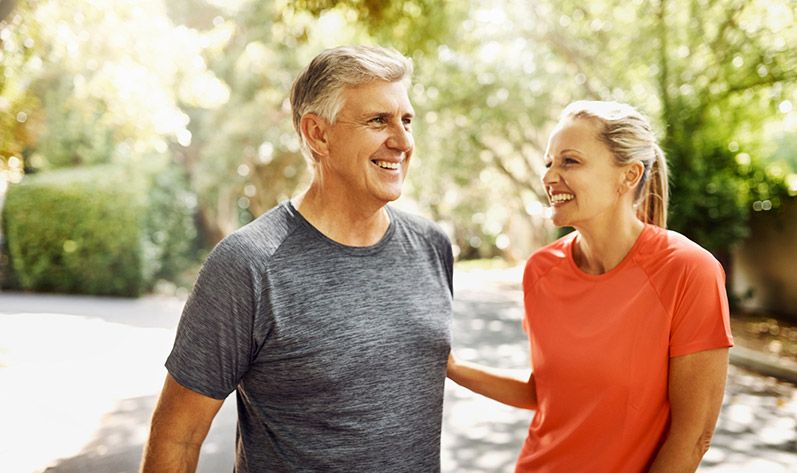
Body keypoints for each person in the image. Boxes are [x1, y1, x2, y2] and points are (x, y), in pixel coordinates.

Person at [140, 45, 454, 473]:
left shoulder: (432, 246)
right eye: (378, 120)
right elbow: (178, 437)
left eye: (407, 120)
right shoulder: (248, 264)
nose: (401, 141)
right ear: (317, 134)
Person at [447, 100, 733, 472]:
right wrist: (451, 367)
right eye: (549, 162)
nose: (550, 177)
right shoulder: (541, 269)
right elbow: (544, 391)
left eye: (570, 161)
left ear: (628, 176)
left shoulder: (688, 270)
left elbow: (693, 437)